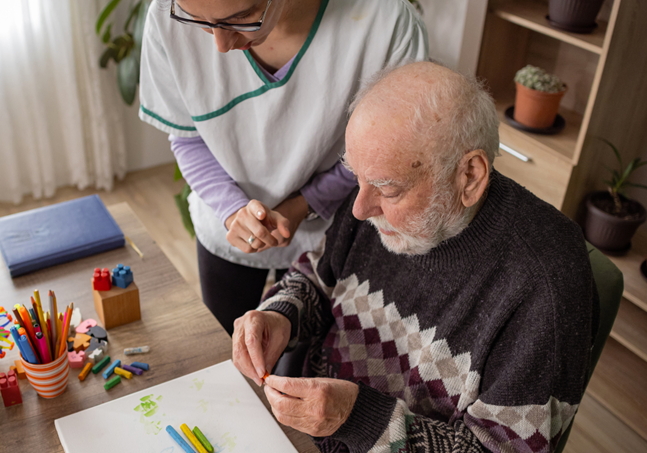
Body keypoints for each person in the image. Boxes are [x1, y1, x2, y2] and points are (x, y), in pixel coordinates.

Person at [232, 61, 598, 453]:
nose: (359, 209)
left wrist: (357, 419)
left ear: (470, 176)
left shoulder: (547, 286)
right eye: (357, 178)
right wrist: (281, 315)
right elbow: (319, 277)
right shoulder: (375, 196)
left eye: (389, 191)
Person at [139, 0, 428, 335]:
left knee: (307, 365)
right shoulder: (167, 16)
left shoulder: (383, 18)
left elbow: (386, 152)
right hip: (228, 228)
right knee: (232, 355)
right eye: (200, 23)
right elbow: (187, 136)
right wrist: (231, 209)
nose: (221, 46)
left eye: (243, 17)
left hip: (332, 235)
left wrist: (304, 203)